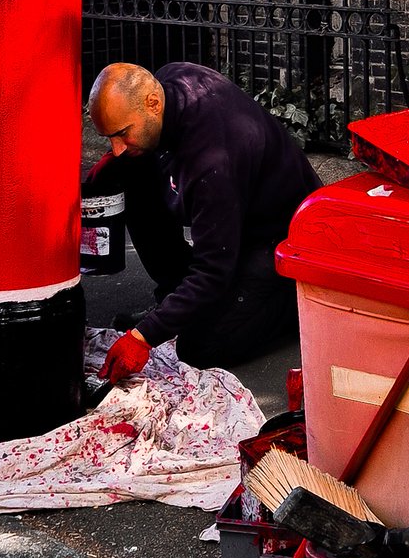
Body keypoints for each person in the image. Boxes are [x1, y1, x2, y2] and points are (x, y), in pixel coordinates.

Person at [86, 61, 322, 383]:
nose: (116, 147)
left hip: (281, 240)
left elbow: (213, 270)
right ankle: (174, 297)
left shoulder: (211, 161)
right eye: (109, 137)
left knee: (199, 347)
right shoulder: (170, 81)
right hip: (238, 217)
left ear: (153, 104)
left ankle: (292, 305)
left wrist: (144, 337)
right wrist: (107, 172)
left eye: (122, 133)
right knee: (129, 168)